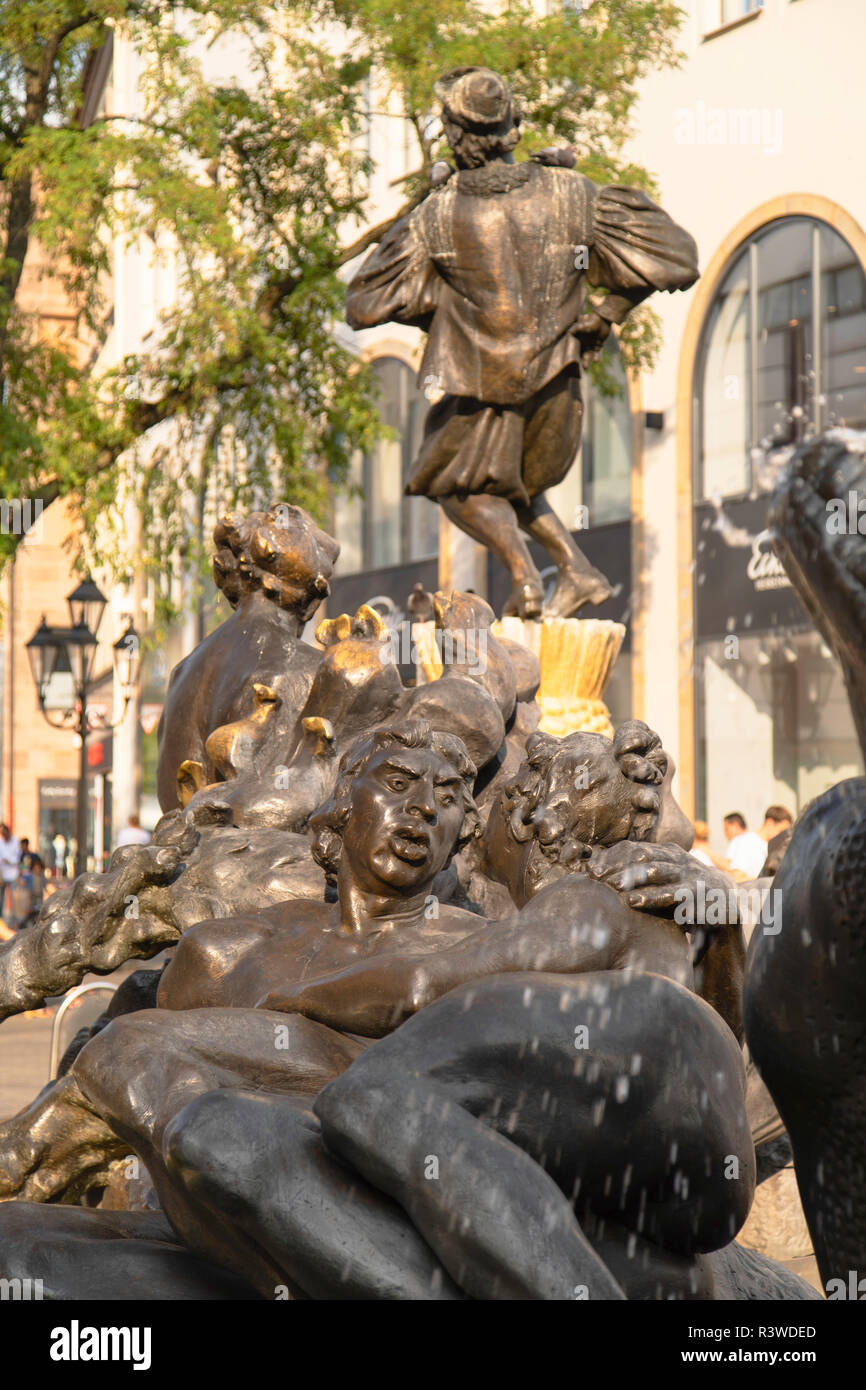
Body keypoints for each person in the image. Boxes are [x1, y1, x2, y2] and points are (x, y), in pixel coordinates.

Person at [345, 66, 698, 620]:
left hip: (483, 389)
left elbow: (365, 302)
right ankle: (577, 570)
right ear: (511, 126)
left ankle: (526, 576)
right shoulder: (571, 193)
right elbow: (676, 256)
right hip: (557, 384)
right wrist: (607, 312)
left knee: (454, 484)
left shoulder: (436, 217)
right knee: (513, 487)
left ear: (454, 134)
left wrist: (421, 239)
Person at [718, 812, 767, 883]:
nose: (725, 834)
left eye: (726, 829)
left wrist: (704, 848)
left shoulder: (738, 840)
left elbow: (730, 868)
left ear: (735, 825)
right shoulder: (758, 840)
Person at [0, 823, 21, 923]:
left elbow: (18, 858)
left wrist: (9, 861)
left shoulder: (15, 841)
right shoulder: (1, 843)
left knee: (14, 898)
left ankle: (14, 920)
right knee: (1, 898)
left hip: (13, 873)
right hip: (2, 874)